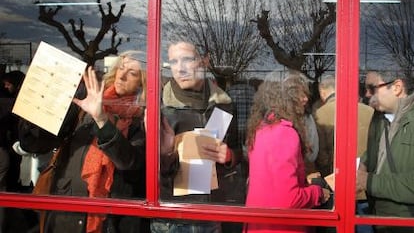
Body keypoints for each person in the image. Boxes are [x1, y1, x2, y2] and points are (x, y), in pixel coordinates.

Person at [18, 50, 149, 233]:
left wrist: (101, 120)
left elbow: (130, 162)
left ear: (143, 82)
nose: (122, 75)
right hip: (67, 210)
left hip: (112, 218)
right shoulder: (88, 100)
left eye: (132, 73)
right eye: (120, 67)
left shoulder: (142, 116)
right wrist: (39, 101)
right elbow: (36, 144)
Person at [152, 41, 242, 233]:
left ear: (204, 62)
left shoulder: (225, 104)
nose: (180, 69)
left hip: (213, 214)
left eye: (187, 60)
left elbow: (238, 152)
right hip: (172, 217)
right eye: (173, 62)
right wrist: (166, 155)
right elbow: (143, 170)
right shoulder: (160, 107)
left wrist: (229, 157)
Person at [244, 72, 331, 233]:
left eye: (305, 93)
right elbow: (288, 199)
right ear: (282, 96)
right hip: (281, 227)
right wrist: (317, 193)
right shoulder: (285, 133)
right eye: (297, 92)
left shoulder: (262, 128)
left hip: (259, 224)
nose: (305, 99)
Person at [357, 70, 414, 233]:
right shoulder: (379, 118)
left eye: (372, 88)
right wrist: (364, 163)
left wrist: (369, 182)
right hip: (380, 217)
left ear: (397, 87)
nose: (367, 94)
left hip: (405, 222)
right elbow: (377, 149)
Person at [314, 75, 374, 178]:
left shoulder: (320, 114)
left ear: (323, 92)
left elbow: (322, 155)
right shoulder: (369, 111)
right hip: (368, 174)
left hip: (337, 174)